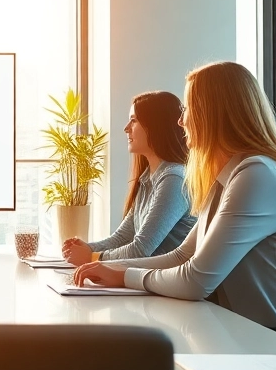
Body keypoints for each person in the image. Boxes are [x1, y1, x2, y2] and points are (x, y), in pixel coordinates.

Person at [72, 62, 276, 334]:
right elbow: (182, 255)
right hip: (239, 328)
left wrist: (123, 275)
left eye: (187, 110)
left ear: (212, 113)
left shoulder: (258, 175)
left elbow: (195, 280)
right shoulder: (228, 176)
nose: (181, 121)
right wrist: (109, 267)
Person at [61, 91, 196, 265]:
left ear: (155, 126)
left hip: (164, 287)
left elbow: (141, 249)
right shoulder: (149, 179)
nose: (126, 128)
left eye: (133, 120)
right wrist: (87, 248)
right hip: (145, 280)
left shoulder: (174, 178)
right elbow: (122, 238)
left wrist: (93, 258)